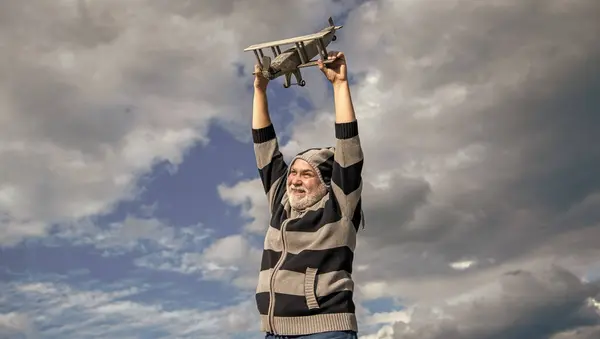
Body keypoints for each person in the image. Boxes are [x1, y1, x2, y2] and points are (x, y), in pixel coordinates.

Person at [251, 50, 365, 339]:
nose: (295, 180)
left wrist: (340, 85)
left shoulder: (339, 206)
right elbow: (265, 147)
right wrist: (260, 91)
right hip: (273, 333)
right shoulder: (281, 203)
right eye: (293, 172)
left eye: (306, 174)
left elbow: (348, 149)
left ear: (326, 182)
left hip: (324, 332)